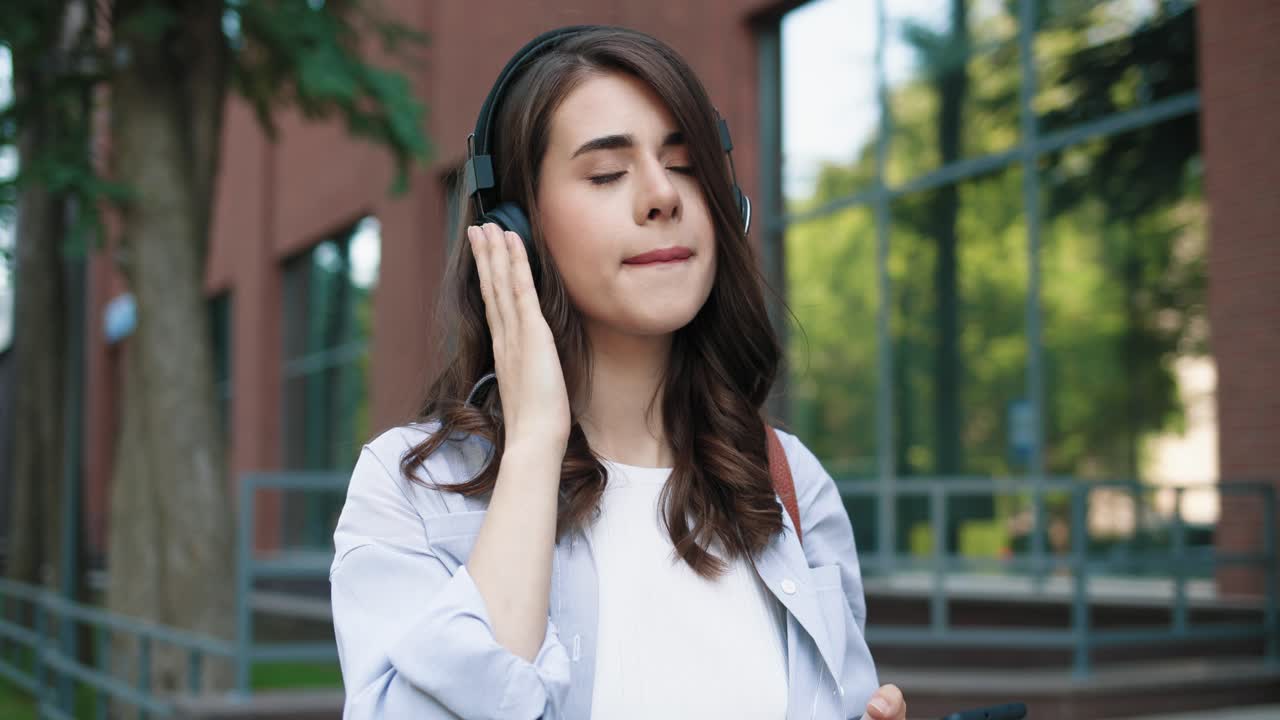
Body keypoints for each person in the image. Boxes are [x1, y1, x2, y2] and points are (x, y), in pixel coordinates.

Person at [329, 25, 907, 720]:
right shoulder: (413, 493)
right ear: (516, 230)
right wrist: (535, 446)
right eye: (607, 174)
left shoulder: (789, 484)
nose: (663, 196)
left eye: (686, 165)